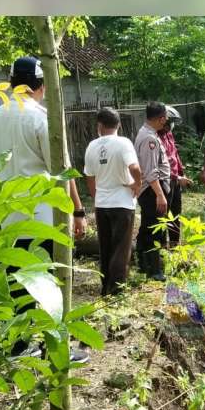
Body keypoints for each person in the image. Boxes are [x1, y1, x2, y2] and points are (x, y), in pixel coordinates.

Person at [0, 56, 88, 362]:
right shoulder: (41, 118)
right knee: (48, 282)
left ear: (12, 82)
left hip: (6, 215)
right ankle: (57, 347)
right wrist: (78, 211)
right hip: (42, 215)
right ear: (41, 87)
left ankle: (21, 343)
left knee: (19, 281)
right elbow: (61, 171)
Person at [84, 107, 142, 296]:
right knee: (121, 248)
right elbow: (135, 167)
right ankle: (117, 290)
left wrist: (96, 197)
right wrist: (137, 184)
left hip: (102, 203)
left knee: (105, 246)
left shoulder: (92, 146)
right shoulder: (123, 143)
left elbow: (90, 177)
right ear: (119, 124)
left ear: (99, 125)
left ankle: (105, 286)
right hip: (123, 202)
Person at [134, 101, 171, 281]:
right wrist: (160, 194)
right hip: (151, 190)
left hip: (151, 190)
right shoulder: (149, 139)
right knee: (154, 229)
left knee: (147, 227)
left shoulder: (147, 133)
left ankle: (143, 264)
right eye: (165, 118)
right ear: (161, 118)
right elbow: (150, 171)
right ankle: (154, 270)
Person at [158, 105, 191, 247]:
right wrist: (176, 177)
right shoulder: (155, 138)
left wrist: (181, 171)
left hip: (176, 179)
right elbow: (159, 166)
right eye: (170, 122)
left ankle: (174, 244)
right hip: (165, 181)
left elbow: (174, 154)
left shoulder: (169, 135)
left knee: (175, 213)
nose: (172, 126)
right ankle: (161, 246)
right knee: (164, 215)